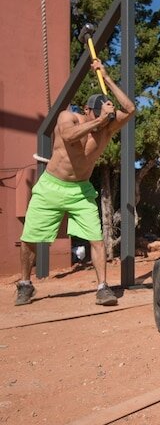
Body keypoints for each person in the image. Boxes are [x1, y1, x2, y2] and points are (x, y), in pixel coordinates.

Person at [15, 59, 135, 307]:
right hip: (51, 186)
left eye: (108, 115)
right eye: (98, 113)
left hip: (81, 190)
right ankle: (25, 284)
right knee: (30, 237)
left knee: (96, 238)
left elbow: (131, 109)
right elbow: (69, 137)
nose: (105, 118)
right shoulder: (68, 117)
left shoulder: (106, 129)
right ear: (87, 110)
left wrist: (107, 76)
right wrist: (100, 121)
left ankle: (103, 287)